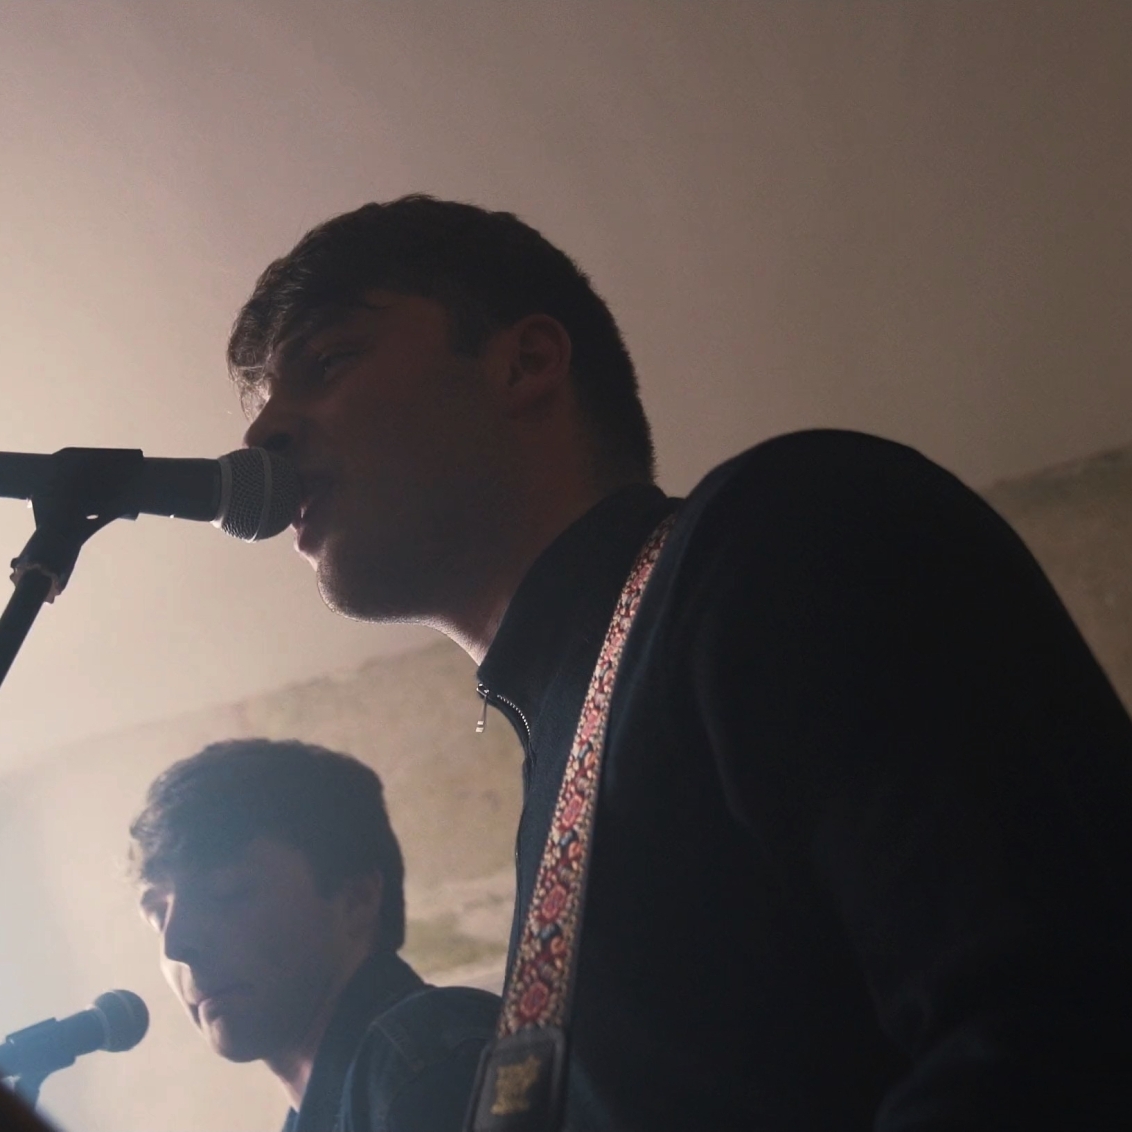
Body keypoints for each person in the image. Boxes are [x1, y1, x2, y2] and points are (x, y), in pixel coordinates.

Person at [228, 196, 1132, 1129]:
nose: (262, 437)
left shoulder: (783, 533)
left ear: (525, 363)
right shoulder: (562, 746)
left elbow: (1063, 1025)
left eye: (329, 361)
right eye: (262, 406)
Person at [130, 738, 500, 1132]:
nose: (176, 944)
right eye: (158, 915)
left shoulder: (424, 1059)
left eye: (228, 891)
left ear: (356, 900)